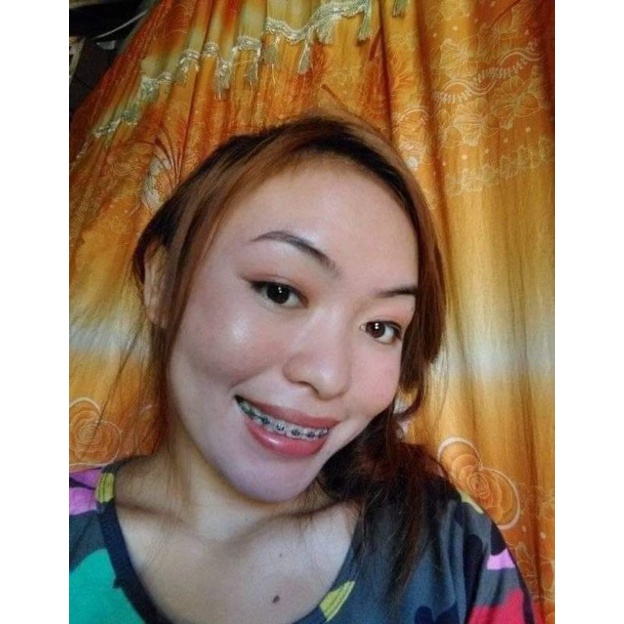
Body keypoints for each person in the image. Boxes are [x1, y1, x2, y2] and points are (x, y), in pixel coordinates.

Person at [70, 111, 539, 623]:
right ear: (162, 282)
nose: (329, 376)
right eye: (280, 292)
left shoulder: (454, 552)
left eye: (380, 327)